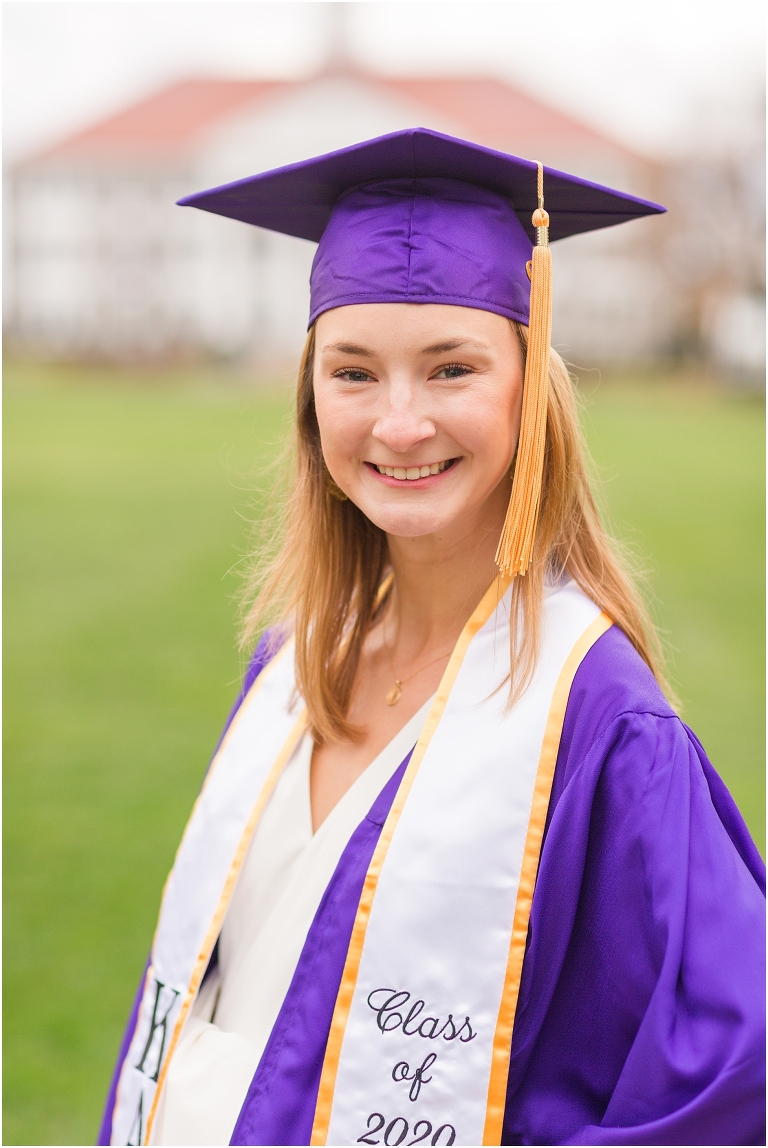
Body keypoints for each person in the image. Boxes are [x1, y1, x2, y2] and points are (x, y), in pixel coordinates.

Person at [99, 129, 764, 1147]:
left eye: (451, 368)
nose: (398, 423)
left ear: (529, 388)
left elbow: (731, 1080)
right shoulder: (290, 664)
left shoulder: (600, 722)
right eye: (353, 372)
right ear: (309, 395)